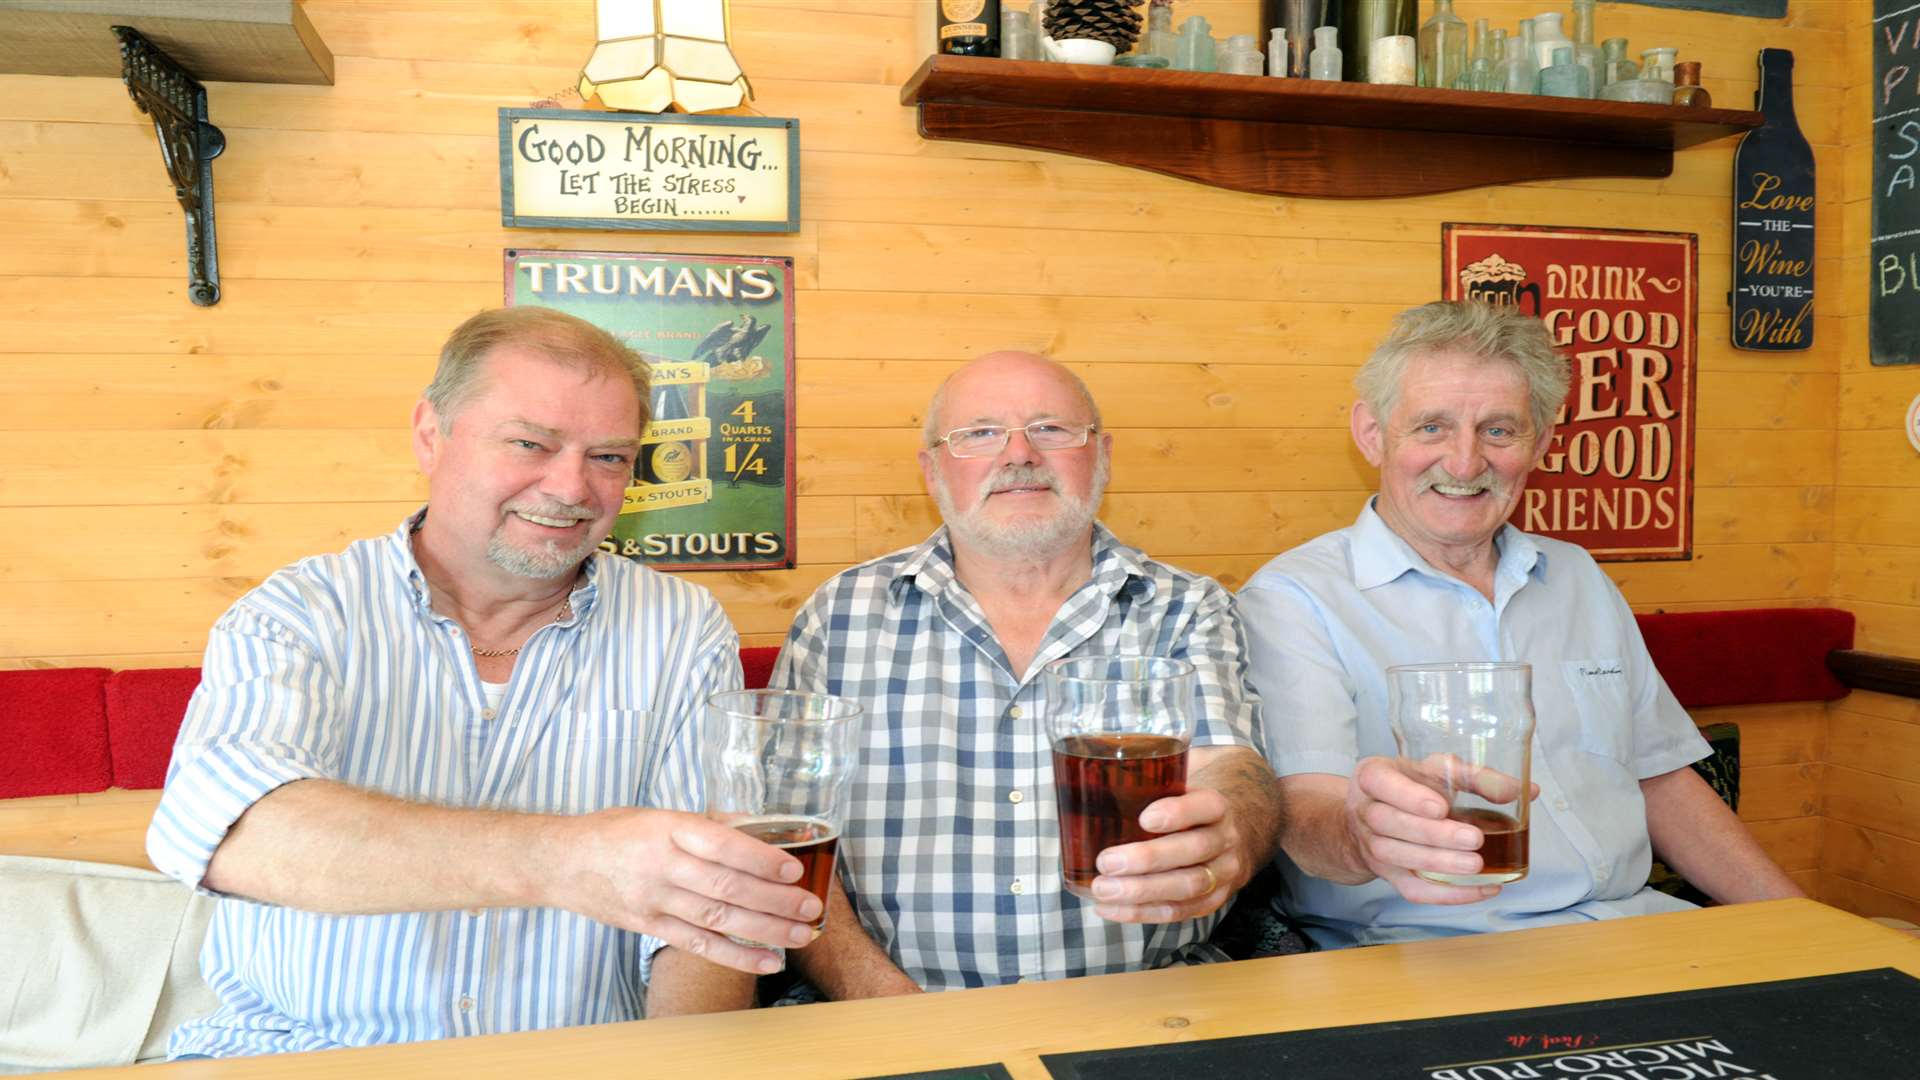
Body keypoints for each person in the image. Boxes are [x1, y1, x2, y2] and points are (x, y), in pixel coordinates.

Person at [147, 307, 822, 1057]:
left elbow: (706, 918)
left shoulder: (680, 626)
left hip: (581, 1062)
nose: (571, 487)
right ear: (431, 434)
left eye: (609, 458)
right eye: (531, 443)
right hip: (309, 1056)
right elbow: (231, 833)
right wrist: (569, 860)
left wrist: (675, 1066)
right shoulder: (300, 612)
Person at [1237, 300, 1803, 949]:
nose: (1465, 461)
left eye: (1499, 431)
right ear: (1371, 433)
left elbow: (1661, 779)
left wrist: (1801, 925)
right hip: (1435, 956)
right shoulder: (1294, 598)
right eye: (1431, 428)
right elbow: (1305, 812)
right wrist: (1364, 835)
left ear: (1541, 439)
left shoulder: (1577, 576)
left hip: (1637, 931)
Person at [769, 350, 1281, 997]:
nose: (1019, 454)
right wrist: (879, 1000)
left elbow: (1231, 768)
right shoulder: (838, 617)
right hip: (885, 1011)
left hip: (1147, 1006)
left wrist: (1230, 828)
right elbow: (786, 842)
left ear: (1102, 455)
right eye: (980, 433)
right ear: (932, 471)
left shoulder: (1187, 608)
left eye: (1050, 428)